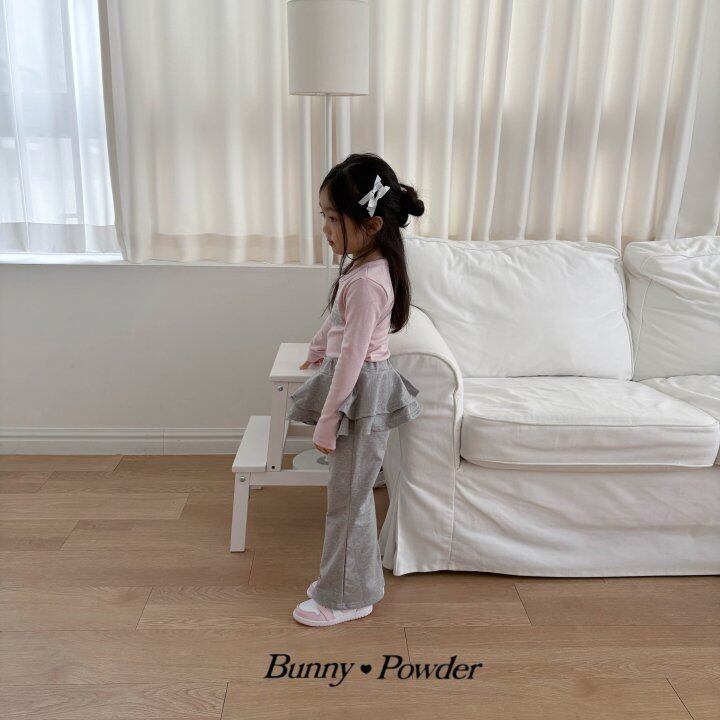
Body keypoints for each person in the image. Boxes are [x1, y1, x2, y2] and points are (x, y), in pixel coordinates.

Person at [286, 153, 425, 627]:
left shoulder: (368, 281)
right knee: (349, 494)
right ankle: (345, 582)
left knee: (348, 500)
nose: (325, 229)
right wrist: (316, 346)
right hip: (358, 385)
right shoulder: (363, 267)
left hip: (361, 390)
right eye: (322, 216)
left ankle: (345, 598)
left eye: (332, 218)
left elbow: (353, 356)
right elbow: (339, 323)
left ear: (371, 224)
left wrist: (328, 420)